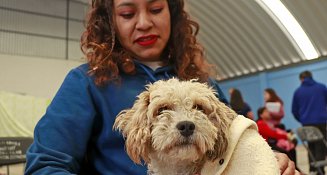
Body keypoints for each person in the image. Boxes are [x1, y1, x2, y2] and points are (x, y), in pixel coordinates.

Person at [25, 0, 298, 174]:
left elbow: (234, 147)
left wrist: (269, 160)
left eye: (155, 9)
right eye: (128, 13)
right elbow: (46, 165)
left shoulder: (204, 84)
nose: (144, 23)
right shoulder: (87, 82)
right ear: (111, 21)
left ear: (173, 13)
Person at [292, 70, 327, 174]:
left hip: (306, 123)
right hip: (321, 122)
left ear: (301, 79)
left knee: (311, 146)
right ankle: (320, 170)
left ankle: (312, 170)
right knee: (321, 145)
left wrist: (302, 119)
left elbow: (294, 110)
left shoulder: (298, 91)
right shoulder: (322, 87)